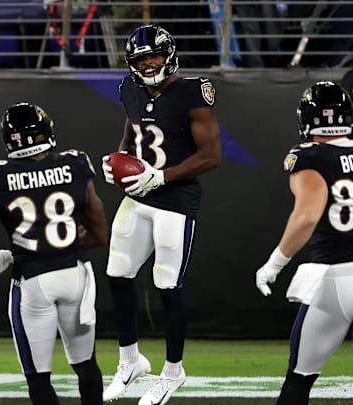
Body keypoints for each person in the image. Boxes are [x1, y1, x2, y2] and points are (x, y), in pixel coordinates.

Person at [100, 24, 221, 405]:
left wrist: (161, 176)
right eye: (141, 58)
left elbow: (211, 156)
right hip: (138, 198)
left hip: (176, 200)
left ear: (168, 54)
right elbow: (133, 133)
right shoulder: (129, 88)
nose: (149, 63)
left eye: (153, 55)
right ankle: (130, 361)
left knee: (168, 286)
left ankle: (172, 372)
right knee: (118, 276)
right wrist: (119, 160)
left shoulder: (192, 92)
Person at [0, 102, 108, 405]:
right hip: (76, 276)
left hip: (33, 281)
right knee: (86, 365)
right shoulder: (76, 164)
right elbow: (99, 235)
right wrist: (65, 246)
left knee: (37, 376)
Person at [255, 81, 353, 405]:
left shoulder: (307, 157)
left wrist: (274, 264)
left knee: (299, 379)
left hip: (335, 279)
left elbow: (307, 217)